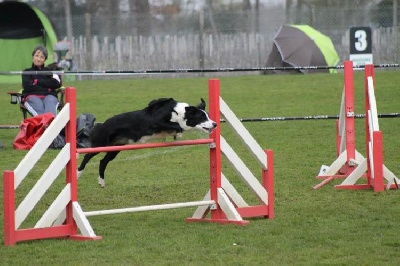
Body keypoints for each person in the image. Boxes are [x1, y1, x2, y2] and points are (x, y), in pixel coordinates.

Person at [22, 45, 62, 117]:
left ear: (45, 60)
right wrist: (48, 88)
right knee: (41, 113)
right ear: (33, 57)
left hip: (49, 96)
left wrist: (36, 82)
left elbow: (56, 83)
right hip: (32, 96)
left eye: (42, 57)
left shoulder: (49, 71)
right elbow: (27, 87)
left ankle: (48, 125)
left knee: (50, 103)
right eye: (37, 56)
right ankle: (49, 126)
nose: (38, 59)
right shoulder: (27, 72)